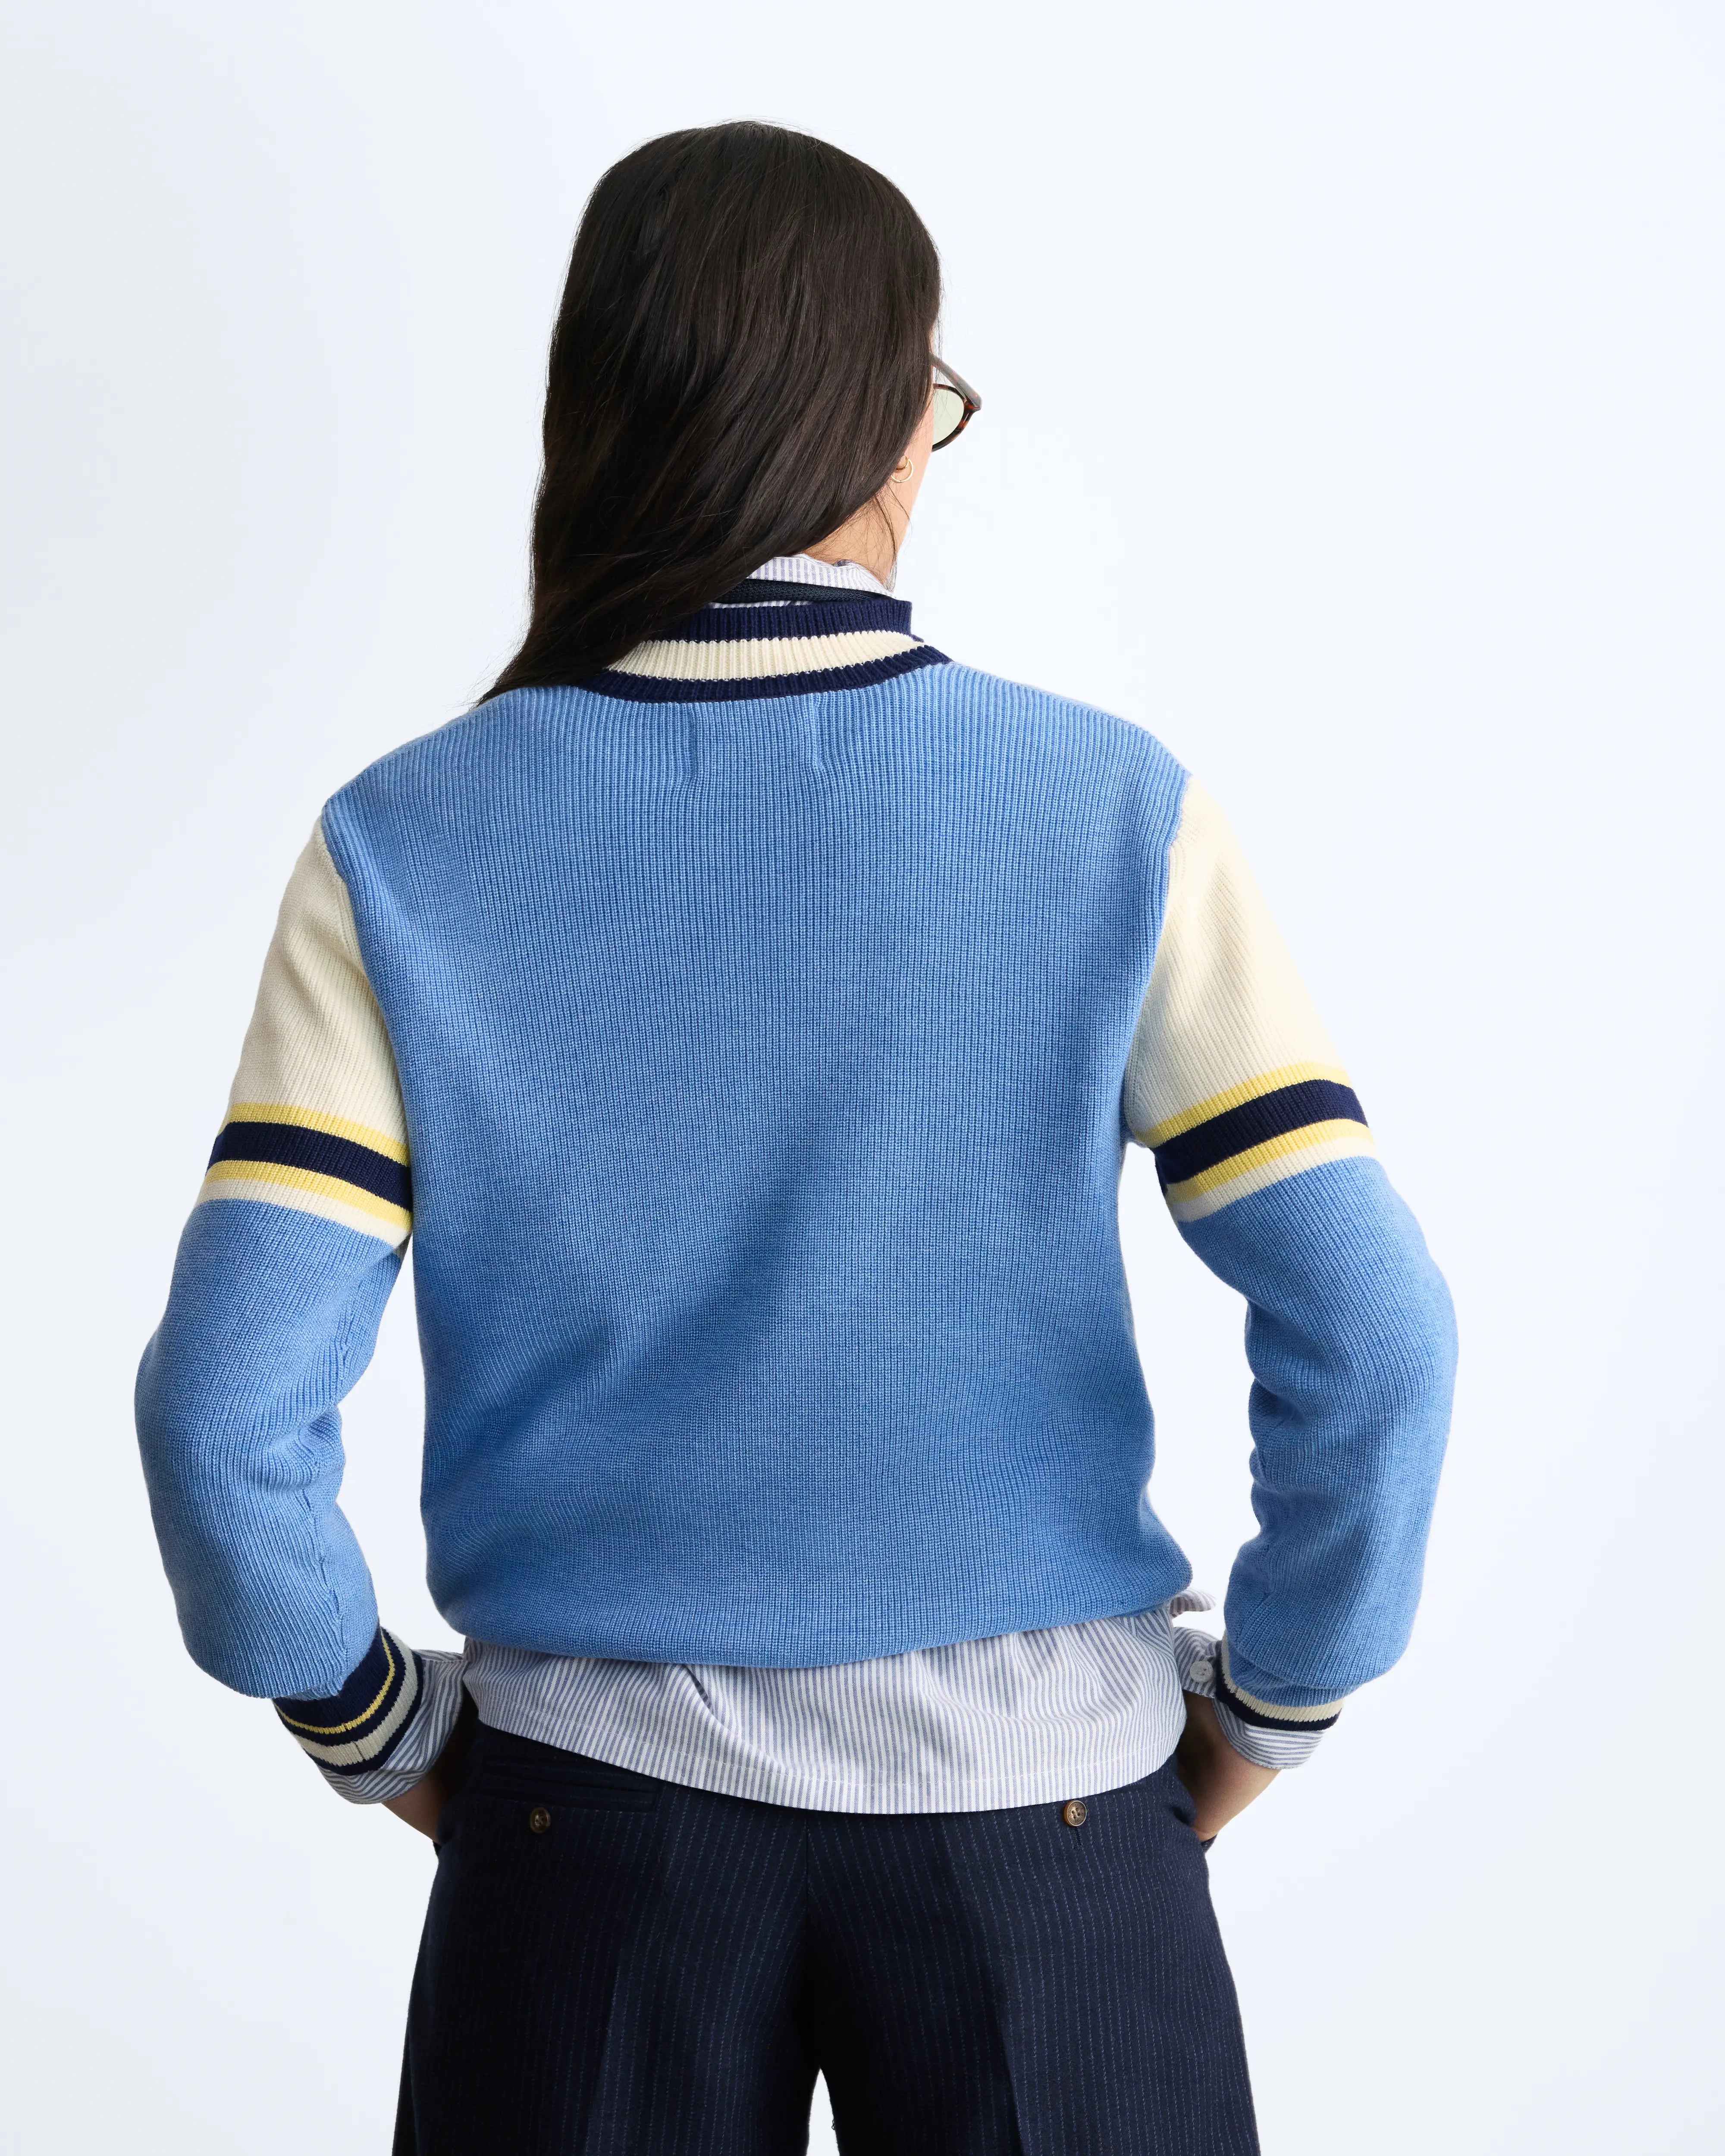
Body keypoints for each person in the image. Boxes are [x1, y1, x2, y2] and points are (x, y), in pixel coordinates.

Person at [137, 121, 1455, 2156]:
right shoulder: (1113, 811)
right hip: (1051, 1813)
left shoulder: (400, 844)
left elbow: (223, 1415)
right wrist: (1271, 1701)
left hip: (586, 1835)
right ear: (882, 417)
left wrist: (380, 1729)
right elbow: (1373, 1334)